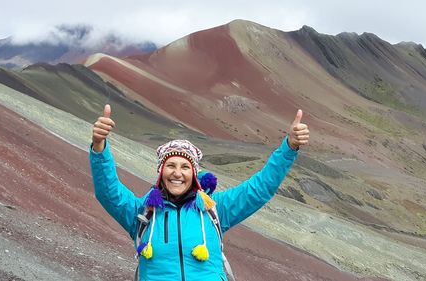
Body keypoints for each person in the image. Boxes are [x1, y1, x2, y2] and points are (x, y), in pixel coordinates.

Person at [89, 104, 309, 281]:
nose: (177, 173)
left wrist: (289, 148)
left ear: (194, 174)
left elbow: (260, 189)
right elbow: (108, 192)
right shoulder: (142, 214)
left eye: (185, 167)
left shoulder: (215, 209)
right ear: (160, 172)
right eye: (171, 166)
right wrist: (99, 146)